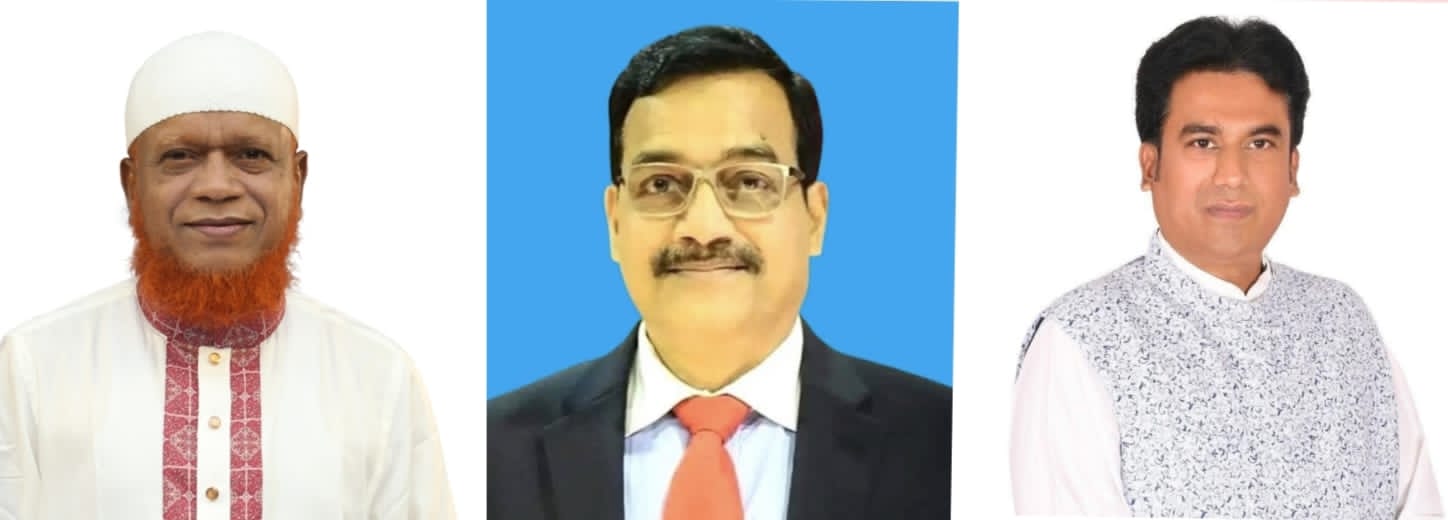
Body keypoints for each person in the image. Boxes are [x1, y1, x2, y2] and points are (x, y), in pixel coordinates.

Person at [487, 25, 952, 520]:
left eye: (749, 181)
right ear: (615, 220)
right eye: (661, 184)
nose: (703, 227)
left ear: (815, 218)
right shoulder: (492, 451)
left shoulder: (944, 443)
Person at [0, 31, 455, 519]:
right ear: (132, 184)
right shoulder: (34, 369)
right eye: (180, 157)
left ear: (297, 178)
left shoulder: (378, 377)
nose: (216, 187)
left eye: (251, 155)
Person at [1010, 16, 1442, 518]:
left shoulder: (1346, 324)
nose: (1232, 175)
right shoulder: (1082, 339)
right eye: (1203, 143)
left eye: (1260, 144)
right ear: (1150, 166)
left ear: (1292, 170)